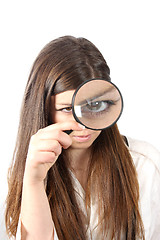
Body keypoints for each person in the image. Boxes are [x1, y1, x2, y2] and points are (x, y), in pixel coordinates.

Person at [5, 36, 160, 240]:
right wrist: (34, 181)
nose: (83, 123)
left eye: (94, 105)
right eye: (67, 109)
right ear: (43, 110)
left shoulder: (144, 164)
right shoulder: (21, 174)